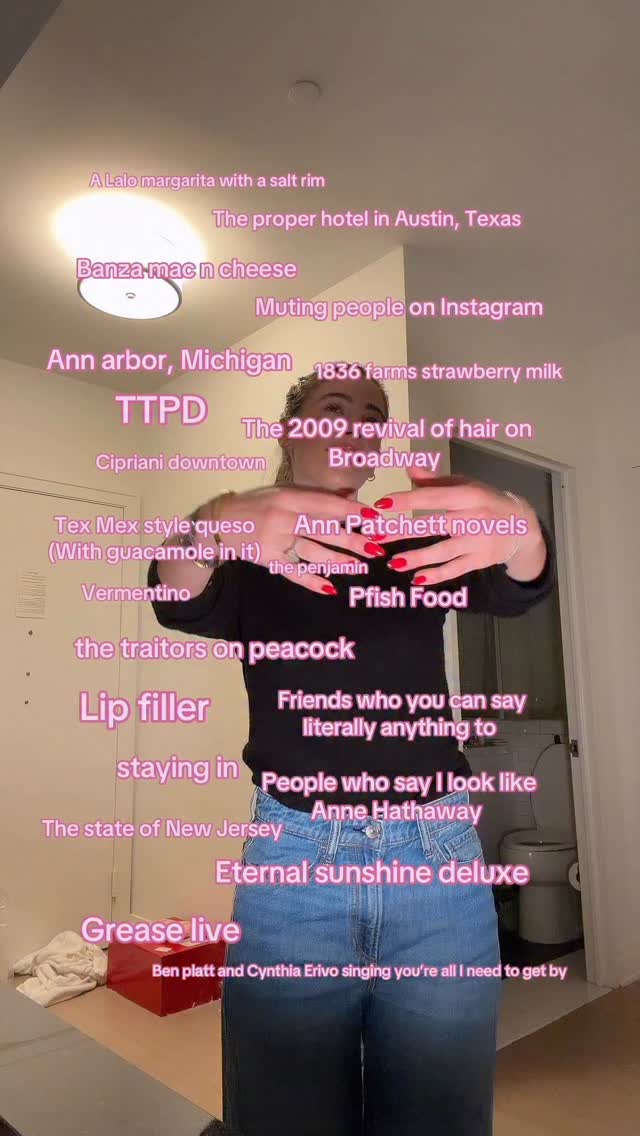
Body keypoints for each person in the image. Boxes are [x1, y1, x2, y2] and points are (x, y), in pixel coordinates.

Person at [147, 367, 555, 1136]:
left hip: (436, 859)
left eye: (373, 416)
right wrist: (218, 521)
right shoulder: (249, 549)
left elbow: (516, 588)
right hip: (294, 859)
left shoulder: (408, 543)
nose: (356, 425)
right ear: (289, 429)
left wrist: (521, 528)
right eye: (334, 407)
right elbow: (175, 596)